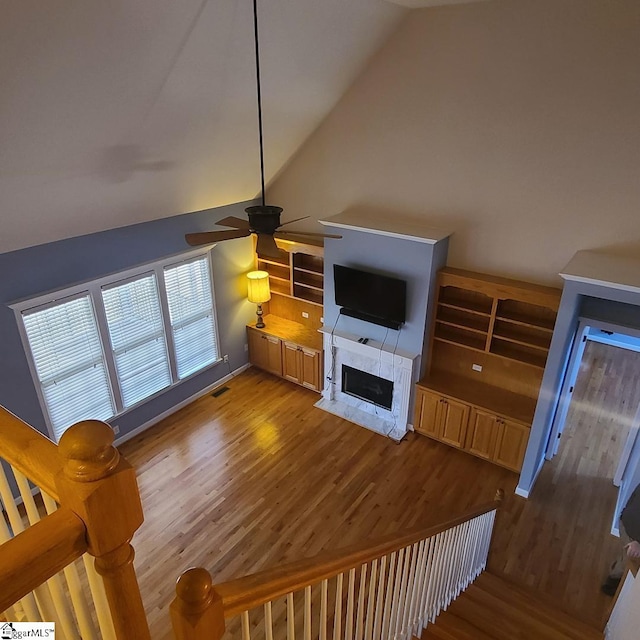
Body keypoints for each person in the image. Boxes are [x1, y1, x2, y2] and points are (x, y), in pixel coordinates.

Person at [602, 484, 640, 596]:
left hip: (625, 520)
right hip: (633, 533)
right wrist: (637, 542)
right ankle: (611, 582)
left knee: (626, 555)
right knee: (627, 560)